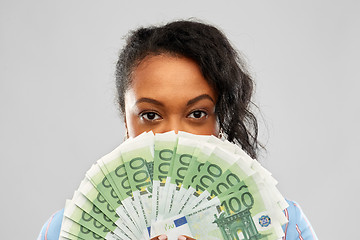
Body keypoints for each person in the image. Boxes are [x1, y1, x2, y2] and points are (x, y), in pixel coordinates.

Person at [38, 20, 318, 240]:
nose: (173, 135)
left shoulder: (282, 223)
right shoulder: (63, 230)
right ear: (126, 123)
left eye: (197, 114)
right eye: (150, 115)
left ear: (219, 121)